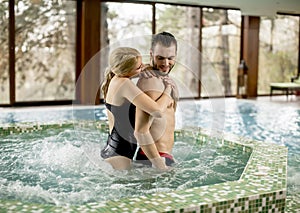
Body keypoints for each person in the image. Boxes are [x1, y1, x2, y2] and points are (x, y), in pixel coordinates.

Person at [100, 47, 173, 170]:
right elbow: (157, 111)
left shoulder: (115, 79)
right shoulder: (124, 84)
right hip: (120, 156)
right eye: (139, 67)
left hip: (112, 149)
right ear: (126, 71)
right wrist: (167, 91)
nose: (143, 67)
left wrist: (147, 69)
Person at [134, 32, 179, 170]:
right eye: (160, 58)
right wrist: (160, 166)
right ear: (151, 54)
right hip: (153, 159)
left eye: (170, 58)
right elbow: (141, 131)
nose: (166, 64)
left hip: (162, 156)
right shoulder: (149, 81)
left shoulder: (167, 81)